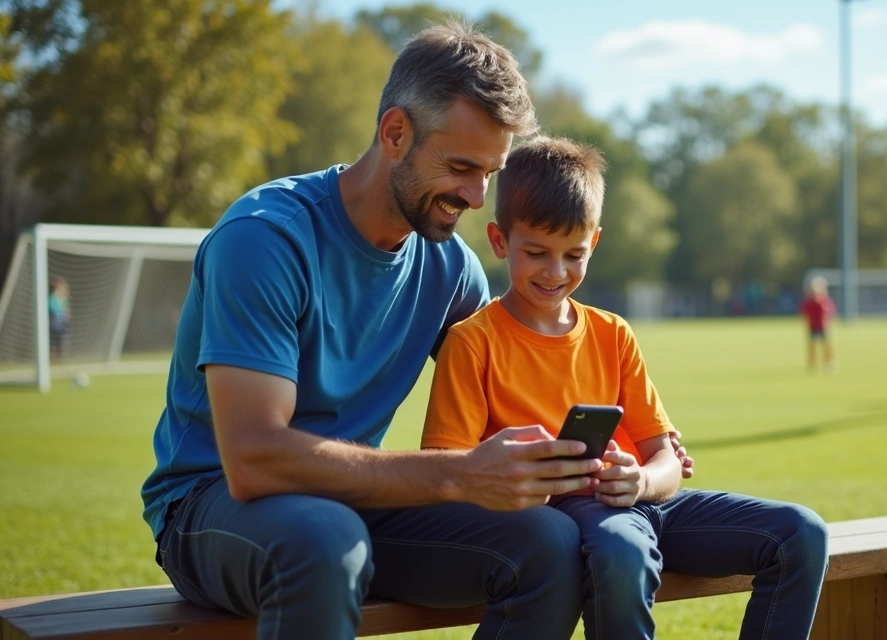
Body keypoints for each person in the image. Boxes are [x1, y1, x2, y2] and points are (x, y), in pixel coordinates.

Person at [140, 24, 689, 640]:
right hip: (214, 507)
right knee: (325, 539)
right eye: (460, 167)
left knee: (547, 540)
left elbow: (512, 378)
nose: (478, 197)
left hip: (354, 503)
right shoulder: (265, 239)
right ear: (395, 133)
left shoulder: (450, 267)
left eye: (490, 172)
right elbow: (253, 458)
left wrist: (620, 459)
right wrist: (457, 474)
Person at [420, 137, 830, 640]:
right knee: (621, 550)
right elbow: (449, 476)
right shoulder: (473, 342)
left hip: (644, 505)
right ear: (500, 241)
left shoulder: (613, 332)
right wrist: (532, 479)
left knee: (801, 534)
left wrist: (639, 481)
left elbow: (666, 460)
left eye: (573, 254)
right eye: (537, 253)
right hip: (574, 519)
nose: (556, 272)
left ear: (594, 243)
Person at [798, 276, 837, 372]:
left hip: (823, 327)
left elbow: (830, 313)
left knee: (827, 346)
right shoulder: (808, 302)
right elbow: (804, 314)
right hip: (812, 327)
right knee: (812, 347)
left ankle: (829, 362)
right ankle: (812, 364)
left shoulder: (824, 301)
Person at [48, 275, 71, 360]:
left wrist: (66, 315)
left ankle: (59, 357)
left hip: (62, 323)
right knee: (53, 340)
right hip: (54, 322)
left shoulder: (63, 298)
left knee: (60, 340)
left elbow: (66, 310)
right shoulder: (52, 298)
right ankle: (53, 356)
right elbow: (52, 308)